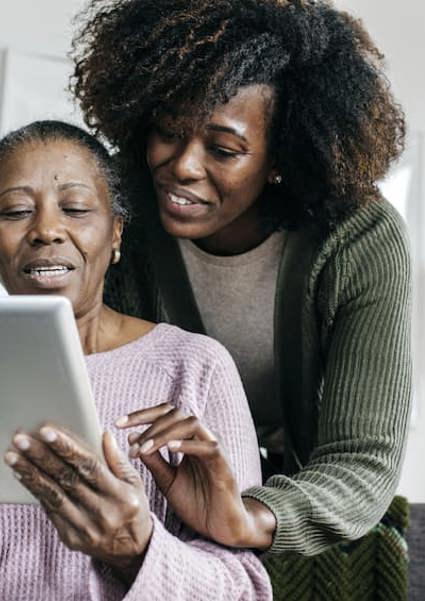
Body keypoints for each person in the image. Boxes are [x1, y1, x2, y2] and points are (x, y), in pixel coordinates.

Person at [0, 121, 272, 600]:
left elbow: (244, 591)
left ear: (116, 232)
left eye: (76, 208)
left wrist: (134, 550)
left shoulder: (195, 366)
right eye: (16, 211)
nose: (45, 230)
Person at [67, 0, 412, 555]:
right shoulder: (122, 219)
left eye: (223, 150)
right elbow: (80, 381)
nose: (183, 165)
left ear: (280, 158)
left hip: (287, 498)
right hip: (154, 499)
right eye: (168, 131)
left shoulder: (358, 239)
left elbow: (362, 459)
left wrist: (251, 519)